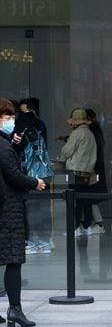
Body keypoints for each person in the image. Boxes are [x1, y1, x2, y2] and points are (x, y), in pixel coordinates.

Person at [0, 97, 46, 327]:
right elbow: (14, 176)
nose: (10, 121)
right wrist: (35, 182)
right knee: (13, 261)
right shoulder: (3, 146)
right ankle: (15, 309)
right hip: (8, 209)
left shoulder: (5, 143)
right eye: (6, 117)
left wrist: (13, 144)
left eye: (11, 117)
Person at [13, 98, 53, 254]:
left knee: (26, 207)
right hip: (43, 171)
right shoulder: (40, 124)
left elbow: (17, 148)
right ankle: (44, 241)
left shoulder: (20, 124)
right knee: (42, 206)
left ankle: (28, 240)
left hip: (26, 172)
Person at [56, 108, 100, 238]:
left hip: (75, 171)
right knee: (85, 201)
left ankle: (75, 228)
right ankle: (86, 226)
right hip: (87, 171)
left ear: (75, 122)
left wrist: (59, 159)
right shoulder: (90, 134)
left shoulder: (77, 134)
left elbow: (67, 150)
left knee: (74, 202)